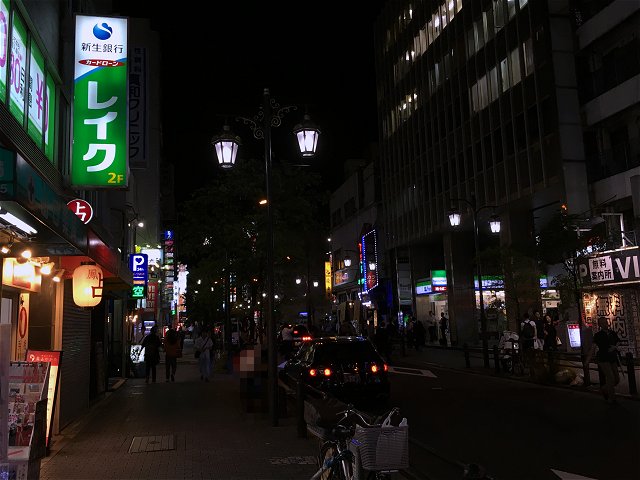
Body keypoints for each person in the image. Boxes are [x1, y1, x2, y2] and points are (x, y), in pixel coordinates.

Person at [585, 318, 621, 404]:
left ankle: (604, 389)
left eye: (606, 322)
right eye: (603, 323)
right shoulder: (598, 335)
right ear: (600, 325)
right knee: (610, 378)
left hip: (612, 357)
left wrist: (614, 347)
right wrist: (587, 361)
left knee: (617, 379)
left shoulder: (612, 333)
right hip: (603, 358)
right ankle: (612, 398)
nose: (605, 324)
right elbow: (593, 348)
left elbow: (618, 342)